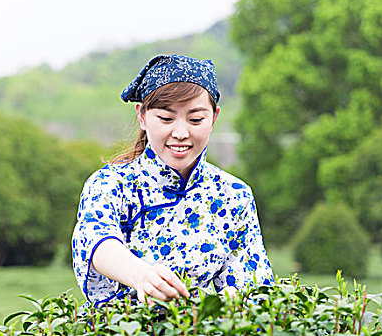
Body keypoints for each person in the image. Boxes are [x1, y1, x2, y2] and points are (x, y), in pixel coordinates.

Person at [72, 54, 273, 307]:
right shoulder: (110, 184)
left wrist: (232, 303)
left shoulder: (234, 195)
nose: (180, 133)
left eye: (196, 119)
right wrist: (141, 275)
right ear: (142, 117)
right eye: (166, 119)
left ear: (214, 118)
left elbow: (253, 289)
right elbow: (97, 242)